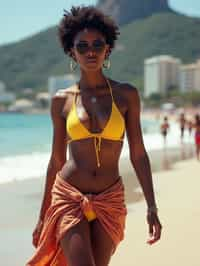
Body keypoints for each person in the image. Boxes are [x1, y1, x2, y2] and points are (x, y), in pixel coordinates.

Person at [27, 6, 162, 266]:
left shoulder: (126, 95)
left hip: (109, 198)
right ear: (71, 51)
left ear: (107, 49)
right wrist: (43, 215)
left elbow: (138, 153)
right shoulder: (61, 101)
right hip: (68, 195)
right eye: (82, 46)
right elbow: (56, 160)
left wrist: (151, 206)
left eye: (98, 45)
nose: (91, 51)